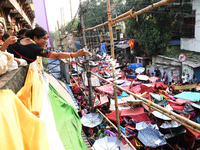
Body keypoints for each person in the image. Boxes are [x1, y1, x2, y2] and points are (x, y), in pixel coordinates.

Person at [2, 26, 91, 64]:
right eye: (44, 39)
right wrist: (75, 55)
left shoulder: (21, 39)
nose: (45, 41)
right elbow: (56, 56)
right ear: (35, 38)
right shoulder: (36, 49)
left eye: (46, 39)